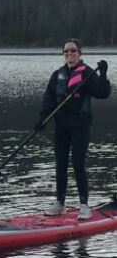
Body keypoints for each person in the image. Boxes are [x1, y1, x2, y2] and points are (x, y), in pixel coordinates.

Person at [35, 38, 111, 220]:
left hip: (80, 125)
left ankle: (84, 205)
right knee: (61, 164)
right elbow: (49, 100)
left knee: (78, 163)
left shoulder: (87, 73)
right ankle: (59, 203)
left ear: (80, 53)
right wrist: (42, 120)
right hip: (61, 126)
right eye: (66, 51)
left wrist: (103, 75)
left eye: (73, 51)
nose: (69, 54)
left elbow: (103, 93)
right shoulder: (57, 75)